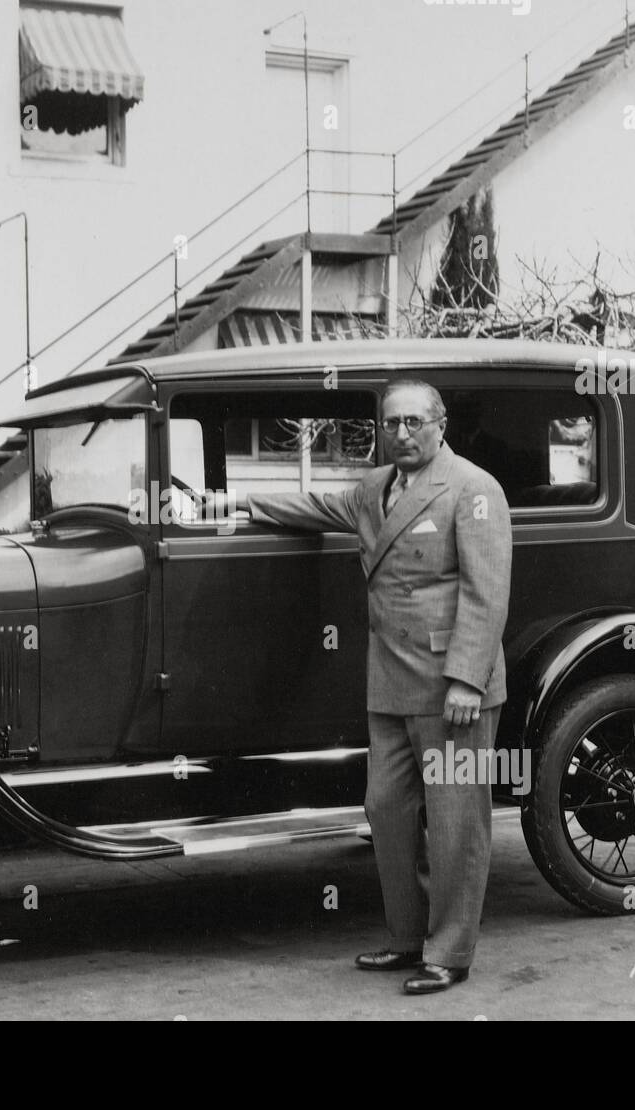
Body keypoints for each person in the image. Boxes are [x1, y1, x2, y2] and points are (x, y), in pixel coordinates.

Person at [214, 380, 512, 995]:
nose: (401, 433)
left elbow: (487, 595)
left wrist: (466, 682)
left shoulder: (473, 489)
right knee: (386, 808)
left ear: (440, 424)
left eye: (413, 423)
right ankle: (407, 939)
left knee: (456, 821)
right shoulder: (375, 489)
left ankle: (449, 953)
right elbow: (318, 507)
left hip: (451, 687)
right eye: (390, 423)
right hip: (391, 683)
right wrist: (240, 503)